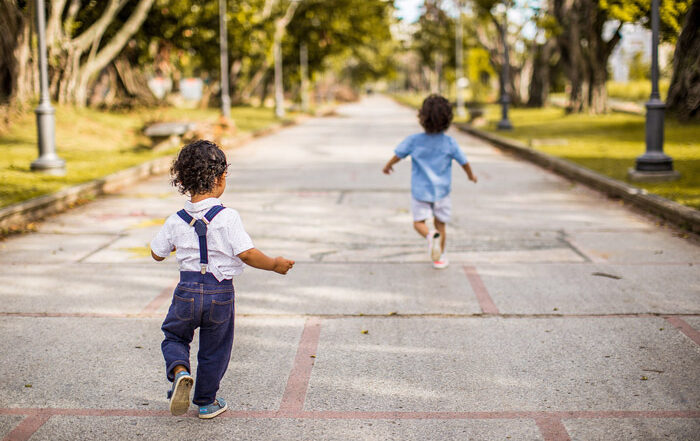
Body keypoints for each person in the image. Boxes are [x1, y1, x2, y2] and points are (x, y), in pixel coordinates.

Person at [150, 139, 294, 419]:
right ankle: (206, 402)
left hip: (186, 292)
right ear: (220, 177)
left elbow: (157, 253)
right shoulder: (228, 217)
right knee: (215, 349)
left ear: (182, 180)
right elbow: (248, 253)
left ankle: (180, 370)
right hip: (220, 294)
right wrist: (274, 264)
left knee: (174, 336)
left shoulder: (176, 220)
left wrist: (177, 244)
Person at [383, 94, 477, 269]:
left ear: (421, 117)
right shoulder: (449, 142)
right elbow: (464, 162)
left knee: (419, 222)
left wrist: (388, 166)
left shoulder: (414, 141)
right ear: (448, 119)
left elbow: (398, 155)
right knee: (440, 224)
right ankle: (440, 258)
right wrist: (471, 176)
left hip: (421, 192)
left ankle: (428, 235)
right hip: (442, 192)